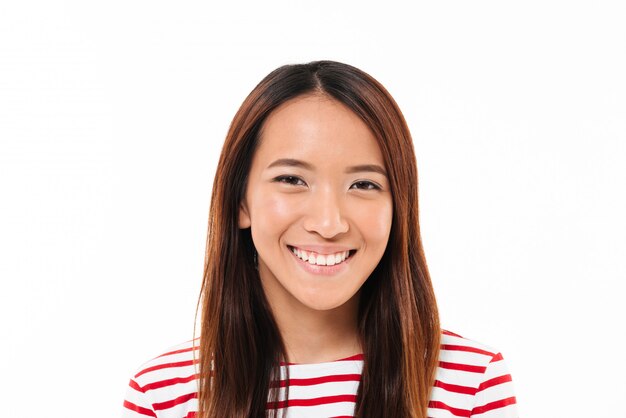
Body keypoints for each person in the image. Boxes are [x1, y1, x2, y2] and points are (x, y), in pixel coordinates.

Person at [121, 60, 518, 418]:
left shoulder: (471, 384)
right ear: (241, 202)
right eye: (291, 180)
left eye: (363, 184)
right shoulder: (165, 395)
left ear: (399, 208)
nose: (328, 224)